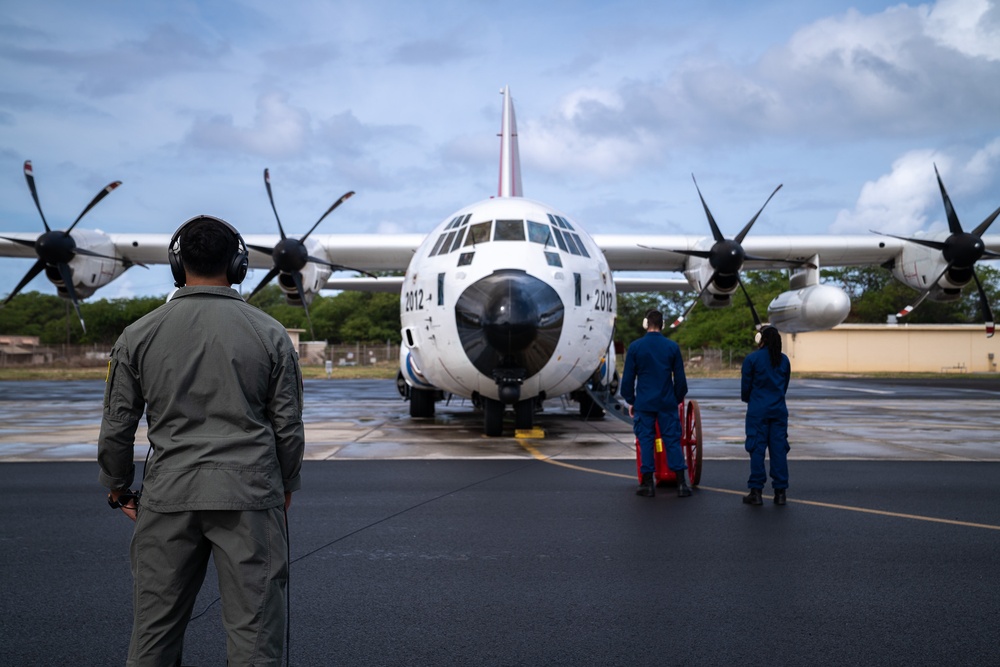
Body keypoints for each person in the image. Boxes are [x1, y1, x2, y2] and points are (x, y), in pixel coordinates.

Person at [98, 215, 305, 666]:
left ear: (177, 265)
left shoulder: (138, 335)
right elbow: (287, 426)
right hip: (251, 497)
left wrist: (118, 486)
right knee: (255, 638)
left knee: (154, 635)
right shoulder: (270, 334)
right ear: (238, 265)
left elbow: (117, 425)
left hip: (168, 494)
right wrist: (285, 484)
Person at [620, 309, 690, 498]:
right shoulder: (672, 347)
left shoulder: (635, 347)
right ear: (662, 324)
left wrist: (631, 400)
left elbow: (627, 381)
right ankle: (682, 483)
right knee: (672, 441)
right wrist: (675, 399)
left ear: (646, 323)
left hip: (644, 403)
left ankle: (647, 483)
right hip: (667, 402)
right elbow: (681, 381)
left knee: (646, 441)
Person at [741, 325, 791, 506]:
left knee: (756, 450)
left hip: (758, 411)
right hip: (778, 411)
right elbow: (784, 386)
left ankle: (756, 492)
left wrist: (752, 400)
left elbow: (745, 388)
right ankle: (780, 493)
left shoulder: (752, 359)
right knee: (779, 451)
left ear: (760, 339)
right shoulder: (784, 360)